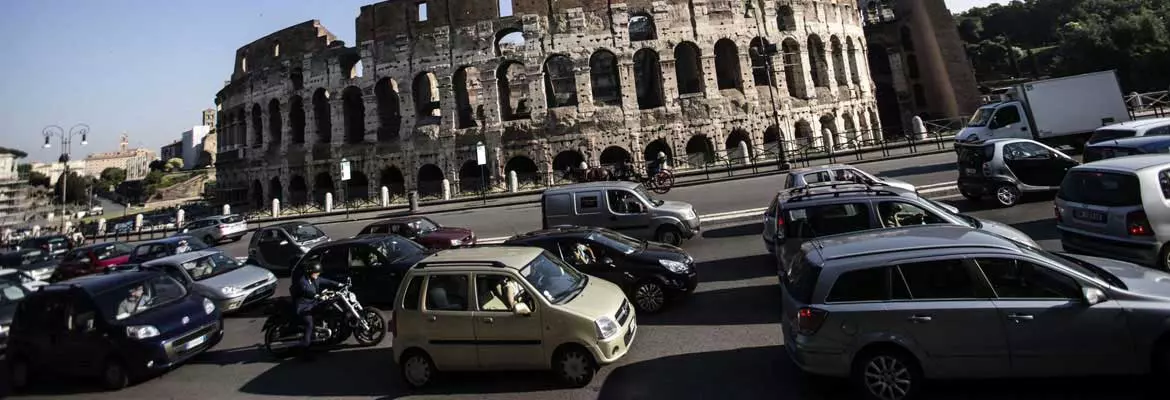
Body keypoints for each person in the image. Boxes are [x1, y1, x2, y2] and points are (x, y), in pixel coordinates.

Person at [289, 262, 342, 360]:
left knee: (328, 309)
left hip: (312, 303)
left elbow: (326, 281)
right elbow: (306, 291)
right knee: (309, 324)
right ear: (310, 272)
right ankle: (305, 351)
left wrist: (339, 284)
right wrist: (316, 296)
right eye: (316, 272)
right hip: (303, 307)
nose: (318, 274)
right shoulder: (303, 281)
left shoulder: (314, 279)